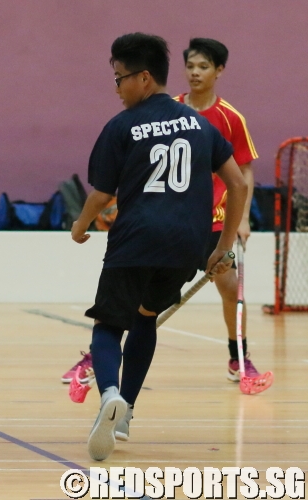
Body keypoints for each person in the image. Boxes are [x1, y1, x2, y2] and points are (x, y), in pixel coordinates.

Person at [71, 33, 247, 461]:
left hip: (136, 240)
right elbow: (239, 184)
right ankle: (126, 413)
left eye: (119, 79)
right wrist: (222, 247)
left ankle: (110, 394)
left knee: (109, 325)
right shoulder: (199, 123)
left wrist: (79, 226)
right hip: (187, 246)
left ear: (144, 78)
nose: (116, 89)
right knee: (146, 316)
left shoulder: (122, 126)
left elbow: (100, 196)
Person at [175, 38, 264, 381]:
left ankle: (237, 357)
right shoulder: (168, 111)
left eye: (203, 67)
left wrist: (241, 218)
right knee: (142, 287)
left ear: (219, 71)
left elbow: (244, 170)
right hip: (173, 220)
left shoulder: (230, 118)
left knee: (230, 288)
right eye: (191, 66)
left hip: (216, 221)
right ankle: (103, 353)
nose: (195, 73)